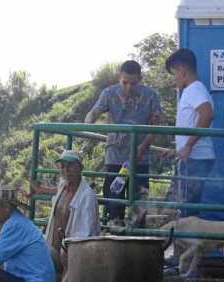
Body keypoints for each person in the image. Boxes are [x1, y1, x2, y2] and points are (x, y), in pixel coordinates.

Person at [85, 60, 162, 225]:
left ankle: (140, 235)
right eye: (124, 82)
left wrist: (142, 147)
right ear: (119, 77)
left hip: (140, 157)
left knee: (139, 201)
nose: (128, 87)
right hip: (115, 155)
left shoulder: (151, 96)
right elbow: (95, 111)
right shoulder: (109, 93)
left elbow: (156, 126)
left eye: (133, 83)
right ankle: (114, 230)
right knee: (113, 200)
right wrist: (89, 121)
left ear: (140, 78)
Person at [38, 150, 100, 282]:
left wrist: (68, 249)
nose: (66, 170)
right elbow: (55, 190)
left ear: (80, 168)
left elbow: (86, 232)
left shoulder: (87, 196)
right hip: (54, 250)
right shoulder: (63, 186)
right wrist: (41, 189)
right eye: (63, 166)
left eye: (70, 165)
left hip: (74, 255)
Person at [165, 48, 215, 217]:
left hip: (195, 159)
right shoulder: (193, 90)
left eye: (173, 73)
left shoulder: (195, 89)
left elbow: (207, 115)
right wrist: (179, 148)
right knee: (186, 206)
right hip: (192, 157)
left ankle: (187, 242)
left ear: (182, 71)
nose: (173, 79)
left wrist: (188, 146)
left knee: (186, 209)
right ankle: (186, 242)